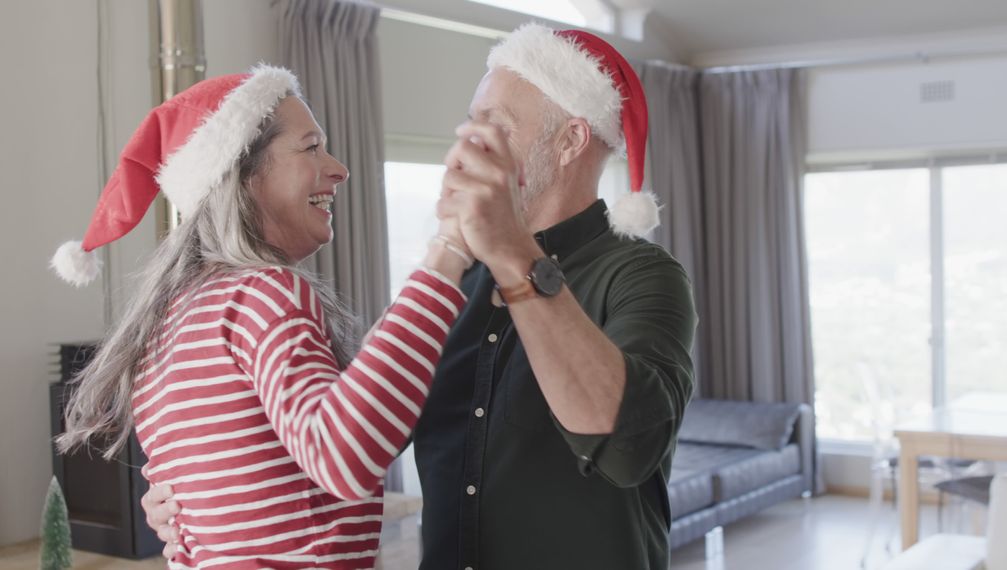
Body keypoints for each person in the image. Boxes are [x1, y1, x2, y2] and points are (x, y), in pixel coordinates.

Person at [147, 24, 698, 569]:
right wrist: (200, 501)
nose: (464, 147)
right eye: (470, 125)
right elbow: (347, 434)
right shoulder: (447, 287)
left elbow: (627, 448)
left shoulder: (643, 275)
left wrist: (514, 257)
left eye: (494, 126)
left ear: (570, 141)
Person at [52, 65, 475, 569]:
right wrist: (447, 253)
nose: (339, 168)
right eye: (311, 146)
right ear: (245, 174)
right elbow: (343, 457)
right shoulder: (264, 293)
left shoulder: (167, 321)